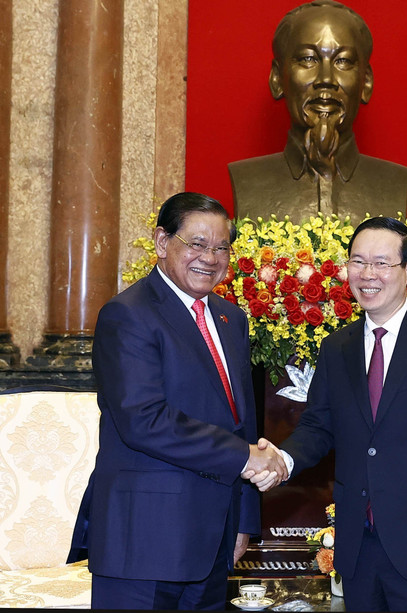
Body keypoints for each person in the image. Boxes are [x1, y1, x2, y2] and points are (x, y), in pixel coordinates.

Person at [259, 217, 407, 611]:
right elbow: (318, 426)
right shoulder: (336, 347)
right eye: (358, 261)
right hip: (358, 547)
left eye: (382, 263)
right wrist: (282, 459)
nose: (368, 274)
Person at [70, 192, 288, 610]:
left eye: (221, 247)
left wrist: (244, 519)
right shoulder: (128, 314)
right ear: (161, 241)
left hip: (214, 539)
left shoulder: (231, 318)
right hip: (145, 540)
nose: (210, 257)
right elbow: (143, 420)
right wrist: (245, 456)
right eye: (197, 244)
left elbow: (242, 422)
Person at [228, 0, 407, 222]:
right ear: (277, 79)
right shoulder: (247, 180)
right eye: (308, 59)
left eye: (343, 61)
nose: (326, 79)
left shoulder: (395, 182)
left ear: (366, 82)